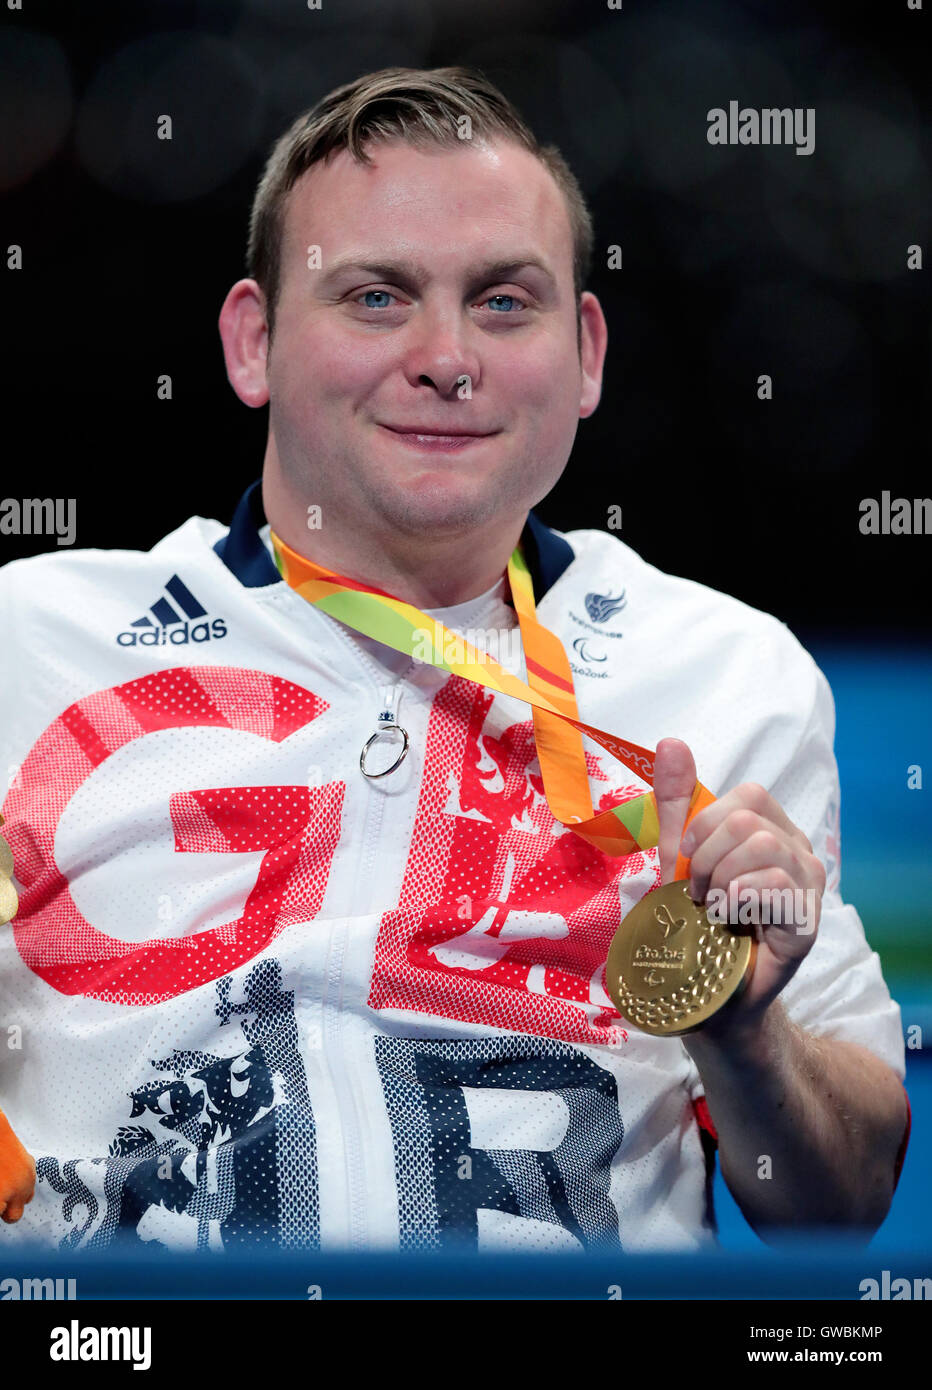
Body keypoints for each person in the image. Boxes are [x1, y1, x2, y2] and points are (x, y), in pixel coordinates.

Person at [0, 66, 909, 1254]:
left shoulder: (727, 675)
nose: (446, 357)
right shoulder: (29, 641)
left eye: (501, 302)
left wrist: (740, 1038)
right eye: (375, 297)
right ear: (253, 341)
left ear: (583, 354)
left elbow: (839, 1205)